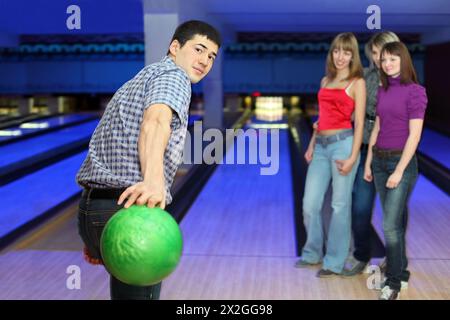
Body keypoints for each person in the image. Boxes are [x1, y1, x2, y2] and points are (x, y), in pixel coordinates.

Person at [76, 20, 221, 300]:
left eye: (211, 56)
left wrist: (96, 238)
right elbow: (155, 122)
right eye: (199, 49)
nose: (204, 61)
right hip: (131, 213)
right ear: (175, 47)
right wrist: (154, 182)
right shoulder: (174, 77)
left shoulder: (144, 76)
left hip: (94, 212)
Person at [295, 33, 366, 277]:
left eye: (346, 52)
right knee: (309, 204)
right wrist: (312, 144)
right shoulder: (325, 81)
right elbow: (321, 118)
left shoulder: (357, 82)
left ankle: (334, 261)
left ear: (353, 55)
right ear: (331, 53)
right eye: (337, 51)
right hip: (322, 147)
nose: (340, 56)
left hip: (343, 145)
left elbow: (359, 125)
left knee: (339, 205)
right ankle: (312, 252)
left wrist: (353, 157)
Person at [364, 41, 427, 300]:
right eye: (384, 60)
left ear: (404, 61)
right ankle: (400, 274)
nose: (387, 64)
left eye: (393, 59)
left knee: (390, 225)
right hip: (379, 161)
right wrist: (369, 161)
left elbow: (414, 136)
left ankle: (393, 283)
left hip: (401, 163)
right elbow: (377, 128)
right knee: (394, 224)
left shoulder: (415, 92)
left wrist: (399, 170)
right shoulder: (383, 90)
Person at [343, 31, 400, 276]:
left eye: (383, 52)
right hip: (366, 147)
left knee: (394, 214)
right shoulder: (364, 78)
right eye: (374, 54)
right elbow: (344, 106)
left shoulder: (405, 82)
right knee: (360, 208)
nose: (379, 58)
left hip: (393, 151)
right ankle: (361, 255)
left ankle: (395, 260)